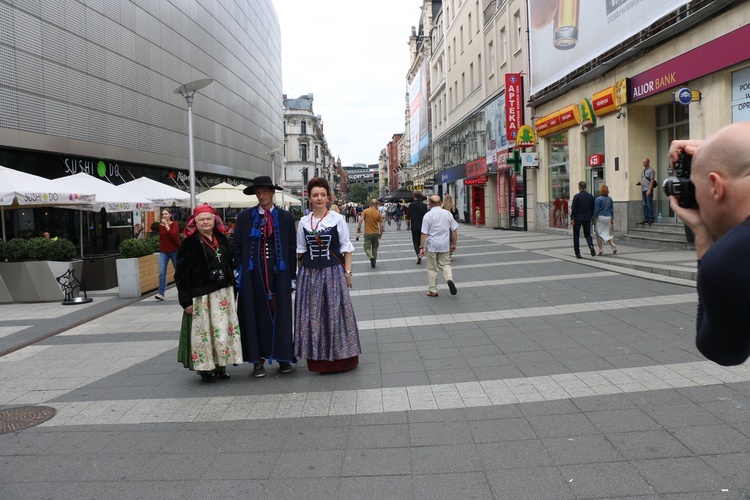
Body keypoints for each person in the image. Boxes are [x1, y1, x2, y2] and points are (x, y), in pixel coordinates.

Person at [667, 122, 750, 366]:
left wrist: (703, 235)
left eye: (697, 189)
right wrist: (723, 153)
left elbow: (723, 350)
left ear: (715, 186)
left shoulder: (733, 258)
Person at [232, 176, 297, 378]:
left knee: (281, 316)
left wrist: (292, 276)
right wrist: (239, 270)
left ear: (272, 193)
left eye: (265, 192)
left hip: (279, 274)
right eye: (258, 193)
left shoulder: (285, 218)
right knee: (254, 316)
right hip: (253, 277)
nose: (262, 196)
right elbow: (236, 246)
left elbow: (291, 249)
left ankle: (284, 358)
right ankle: (257, 361)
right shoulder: (244, 217)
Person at [295, 177, 361, 373]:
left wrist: (347, 272)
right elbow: (301, 250)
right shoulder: (304, 222)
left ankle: (341, 359)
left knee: (335, 314)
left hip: (332, 273)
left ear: (328, 197)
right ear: (310, 198)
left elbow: (346, 248)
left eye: (322, 195)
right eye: (315, 195)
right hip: (309, 274)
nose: (319, 198)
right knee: (313, 316)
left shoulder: (337, 219)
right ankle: (318, 360)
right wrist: (298, 275)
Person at [175, 204, 243, 383]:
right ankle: (206, 370)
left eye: (208, 219)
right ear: (194, 223)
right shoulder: (189, 244)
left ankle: (221, 366)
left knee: (222, 333)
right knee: (205, 334)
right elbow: (181, 274)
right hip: (202, 295)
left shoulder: (221, 239)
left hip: (224, 294)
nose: (205, 222)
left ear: (215, 221)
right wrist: (185, 301)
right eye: (201, 219)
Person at [419, 195, 458, 297]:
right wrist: (454, 244)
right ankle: (449, 279)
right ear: (440, 202)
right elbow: (454, 230)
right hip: (444, 244)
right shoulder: (447, 214)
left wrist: (421, 248)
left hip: (432, 245)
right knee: (445, 264)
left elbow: (424, 233)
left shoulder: (428, 215)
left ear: (430, 203)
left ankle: (433, 290)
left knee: (432, 268)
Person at [156, 209, 180, 301]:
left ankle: (182, 290)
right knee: (162, 273)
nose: (164, 216)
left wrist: (166, 225)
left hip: (174, 250)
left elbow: (173, 235)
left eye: (166, 214)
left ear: (170, 215)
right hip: (163, 251)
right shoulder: (159, 226)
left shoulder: (175, 224)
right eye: (163, 214)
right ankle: (161, 293)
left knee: (178, 272)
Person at [570, 181, 596, 259]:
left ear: (579, 187)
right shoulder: (590, 196)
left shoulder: (577, 196)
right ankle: (590, 245)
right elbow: (592, 208)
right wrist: (591, 217)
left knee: (576, 236)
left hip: (578, 218)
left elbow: (574, 208)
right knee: (587, 234)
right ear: (585, 187)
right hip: (587, 218)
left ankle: (577, 253)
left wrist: (572, 218)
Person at [357, 198, 384, 268]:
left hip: (368, 232)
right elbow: (381, 225)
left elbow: (360, 220)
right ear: (377, 205)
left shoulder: (366, 211)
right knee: (375, 247)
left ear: (370, 204)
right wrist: (381, 233)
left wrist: (359, 228)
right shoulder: (378, 213)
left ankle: (371, 257)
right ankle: (374, 261)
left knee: (366, 248)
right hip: (375, 232)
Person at [592, 184, 617, 255]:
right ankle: (612, 245)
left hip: (600, 217)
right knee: (608, 233)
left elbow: (596, 210)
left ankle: (601, 249)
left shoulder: (598, 199)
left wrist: (593, 217)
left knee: (598, 234)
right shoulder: (610, 199)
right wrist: (612, 218)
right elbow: (612, 209)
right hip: (608, 217)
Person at [408, 190, 428, 265]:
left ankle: (418, 254)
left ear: (414, 197)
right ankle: (421, 250)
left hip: (414, 226)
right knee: (421, 241)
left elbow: (408, 217)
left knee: (415, 242)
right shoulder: (424, 205)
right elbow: (427, 216)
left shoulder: (411, 205)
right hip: (423, 226)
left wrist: (408, 225)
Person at [636, 157, 657, 224]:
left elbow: (652, 180)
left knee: (649, 204)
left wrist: (649, 190)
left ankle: (651, 218)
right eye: (643, 162)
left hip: (648, 189)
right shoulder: (643, 171)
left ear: (648, 162)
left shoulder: (651, 170)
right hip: (643, 189)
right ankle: (646, 218)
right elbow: (642, 180)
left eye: (645, 162)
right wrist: (640, 183)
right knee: (644, 204)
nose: (644, 163)